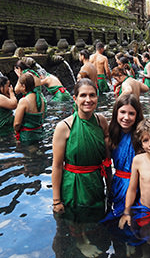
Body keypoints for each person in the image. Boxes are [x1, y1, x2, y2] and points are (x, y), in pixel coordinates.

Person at [51, 78, 112, 222]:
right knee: (74, 225)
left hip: (95, 184)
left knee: (97, 226)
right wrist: (56, 200)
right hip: (73, 187)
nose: (88, 100)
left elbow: (107, 160)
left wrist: (110, 189)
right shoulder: (64, 127)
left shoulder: (101, 121)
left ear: (97, 97)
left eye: (92, 95)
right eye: (83, 95)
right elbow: (57, 165)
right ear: (75, 98)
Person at [102, 94, 144, 222]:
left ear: (137, 115)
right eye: (123, 112)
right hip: (119, 184)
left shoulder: (142, 136)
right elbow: (108, 167)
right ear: (116, 113)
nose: (126, 117)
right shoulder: (111, 136)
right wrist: (110, 190)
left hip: (140, 185)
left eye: (131, 113)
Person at [13, 73, 46, 143]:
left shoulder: (23, 101)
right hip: (39, 134)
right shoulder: (41, 99)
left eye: (19, 84)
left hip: (27, 136)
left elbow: (17, 124)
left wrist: (16, 132)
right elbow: (42, 118)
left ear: (24, 86)